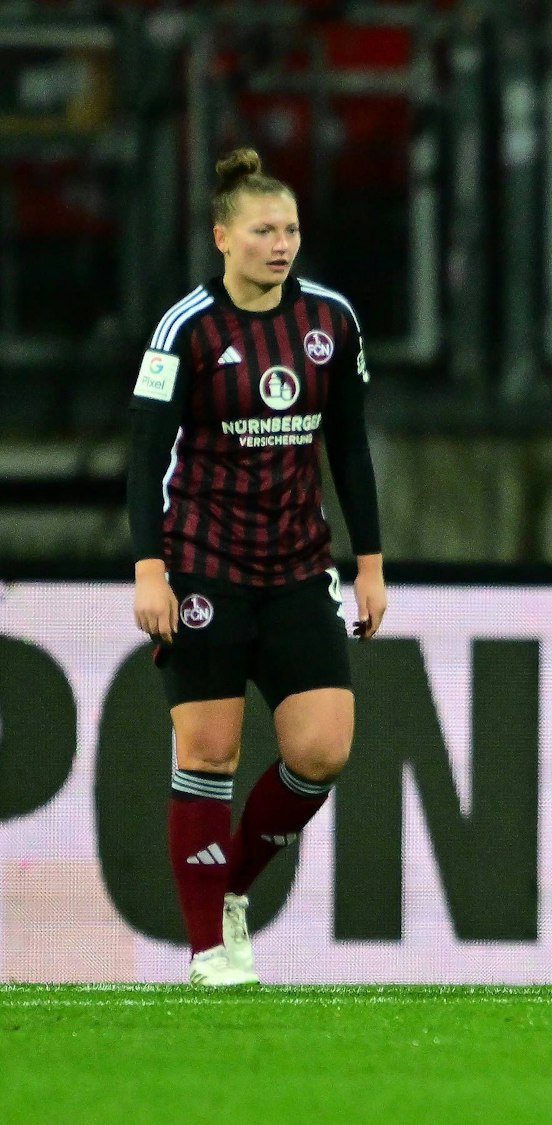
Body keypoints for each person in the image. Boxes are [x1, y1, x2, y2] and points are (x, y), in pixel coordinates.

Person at [126, 148, 384, 987]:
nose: (282, 244)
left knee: (322, 750)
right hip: (202, 565)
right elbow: (144, 456)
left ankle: (230, 890)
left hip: (298, 567)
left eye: (292, 229)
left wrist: (371, 563)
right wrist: (149, 567)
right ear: (223, 237)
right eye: (265, 230)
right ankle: (209, 951)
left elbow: (347, 443)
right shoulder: (186, 329)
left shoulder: (332, 321)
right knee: (207, 752)